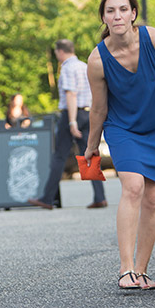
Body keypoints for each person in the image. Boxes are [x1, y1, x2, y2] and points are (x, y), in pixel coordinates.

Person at [84, 0, 155, 290]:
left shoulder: (154, 39)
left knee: (154, 198)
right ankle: (125, 268)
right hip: (123, 129)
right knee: (133, 187)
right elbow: (99, 108)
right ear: (104, 17)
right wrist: (92, 146)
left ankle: (142, 271)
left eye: (122, 9)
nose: (116, 16)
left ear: (133, 13)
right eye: (110, 11)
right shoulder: (97, 60)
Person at [28, 39, 107, 210]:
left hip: (72, 114)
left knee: (59, 157)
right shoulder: (84, 66)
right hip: (88, 112)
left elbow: (71, 95)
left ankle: (47, 198)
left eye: (56, 52)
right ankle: (100, 196)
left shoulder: (67, 68)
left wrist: (72, 122)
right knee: (89, 155)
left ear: (60, 52)